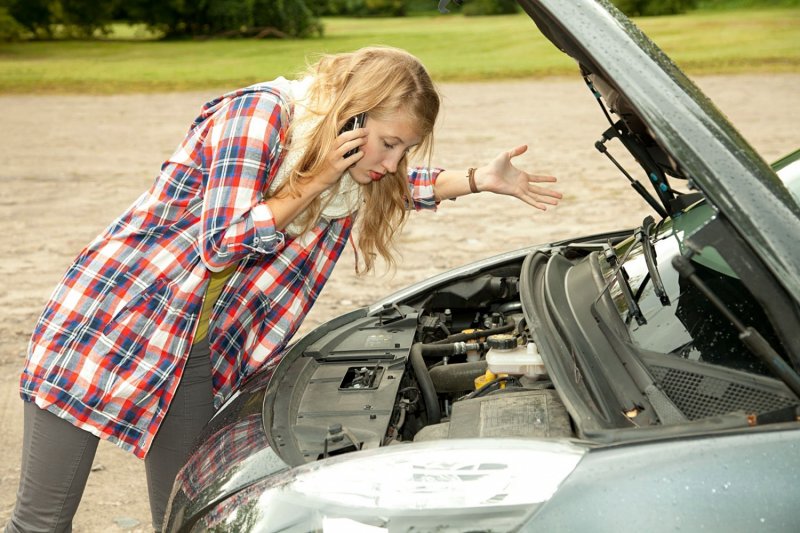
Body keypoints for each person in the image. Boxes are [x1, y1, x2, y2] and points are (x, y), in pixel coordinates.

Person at [5, 46, 561, 533]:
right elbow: (222, 240)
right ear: (352, 116)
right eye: (389, 142)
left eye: (404, 149)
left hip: (190, 349)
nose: (392, 162)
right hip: (113, 320)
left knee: (190, 518)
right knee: (42, 522)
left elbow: (391, 185)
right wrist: (317, 178)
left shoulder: (347, 169)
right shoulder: (261, 115)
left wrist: (477, 180)